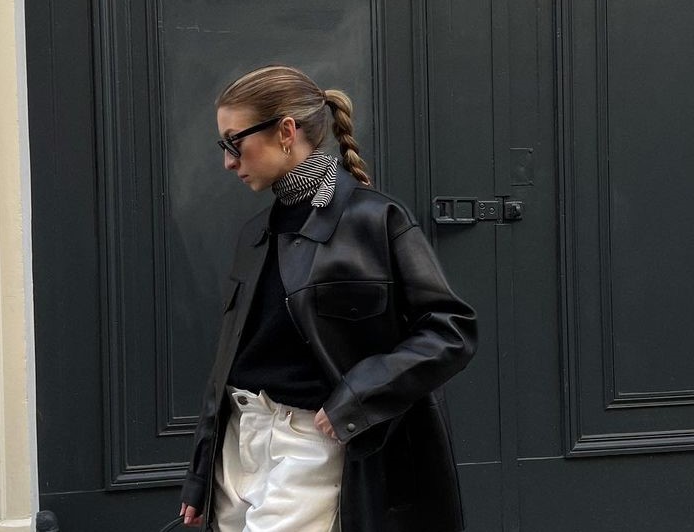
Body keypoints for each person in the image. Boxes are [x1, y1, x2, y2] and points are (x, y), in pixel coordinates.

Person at [178, 65, 477, 532]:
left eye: (234, 142)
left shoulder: (375, 220)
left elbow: (450, 329)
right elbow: (226, 365)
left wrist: (354, 401)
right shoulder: (255, 234)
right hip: (240, 438)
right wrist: (201, 473)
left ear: (286, 131)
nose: (229, 162)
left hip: (311, 441)